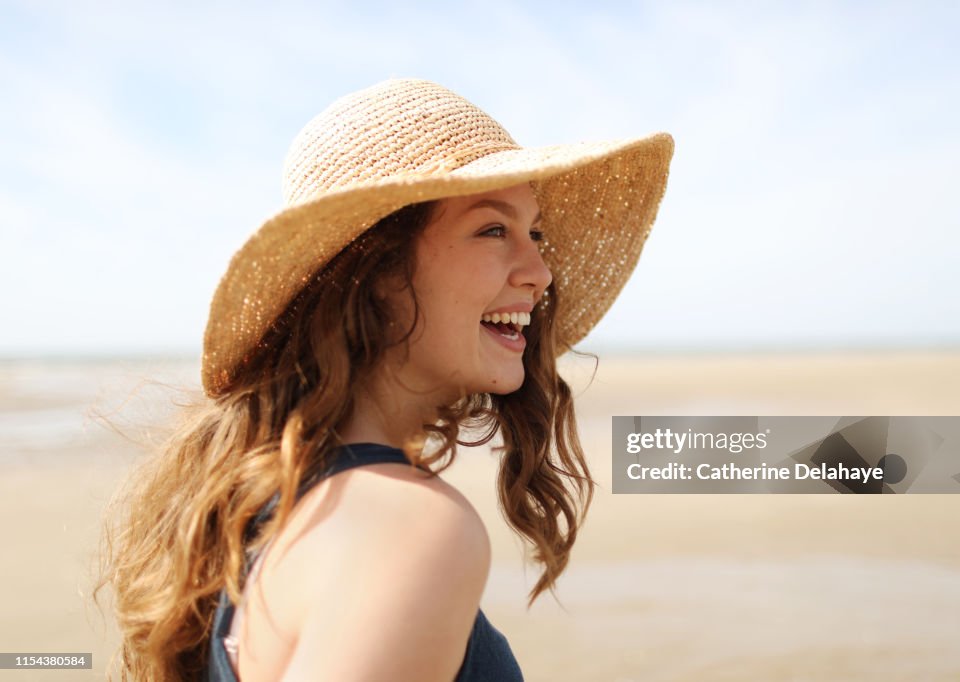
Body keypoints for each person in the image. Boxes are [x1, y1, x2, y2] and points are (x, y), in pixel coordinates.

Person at [95, 78, 673, 681]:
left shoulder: (270, 507)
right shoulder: (406, 524)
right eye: (492, 229)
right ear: (377, 272)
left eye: (537, 234)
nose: (540, 273)